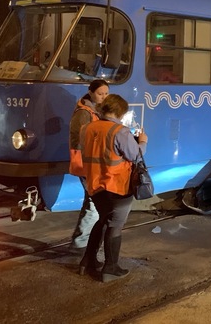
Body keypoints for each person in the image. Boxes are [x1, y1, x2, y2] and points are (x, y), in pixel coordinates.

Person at [78, 94, 148, 282]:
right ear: (119, 111)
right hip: (116, 186)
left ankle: (88, 261)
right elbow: (136, 155)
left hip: (94, 184)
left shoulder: (87, 128)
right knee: (115, 225)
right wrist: (142, 141)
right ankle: (111, 267)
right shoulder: (120, 131)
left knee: (103, 220)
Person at [68, 79, 109, 252]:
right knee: (93, 203)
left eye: (106, 93)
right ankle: (80, 243)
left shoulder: (95, 110)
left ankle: (82, 242)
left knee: (92, 202)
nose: (104, 97)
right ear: (91, 93)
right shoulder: (83, 113)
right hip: (87, 163)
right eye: (100, 94)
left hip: (92, 163)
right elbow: (83, 140)